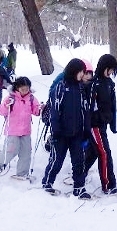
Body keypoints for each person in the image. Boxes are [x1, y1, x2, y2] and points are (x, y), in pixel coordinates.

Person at [41, 59, 92, 199]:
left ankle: (79, 188)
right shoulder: (61, 87)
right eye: (81, 71)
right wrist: (55, 131)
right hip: (61, 133)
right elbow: (55, 111)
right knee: (56, 160)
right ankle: (47, 182)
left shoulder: (81, 88)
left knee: (79, 162)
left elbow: (85, 111)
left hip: (77, 133)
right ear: (74, 71)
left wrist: (86, 130)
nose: (83, 74)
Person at [83, 54, 117, 195]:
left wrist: (113, 124)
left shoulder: (110, 84)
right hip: (94, 125)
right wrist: (89, 124)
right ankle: (109, 184)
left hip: (103, 123)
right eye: (109, 69)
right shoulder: (94, 84)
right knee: (104, 153)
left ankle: (79, 175)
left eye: (113, 70)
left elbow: (112, 105)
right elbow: (89, 107)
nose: (111, 72)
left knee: (93, 152)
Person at [0, 76, 42, 181]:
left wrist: (40, 109)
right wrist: (6, 105)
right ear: (17, 88)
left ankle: (22, 173)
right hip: (12, 130)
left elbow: (36, 111)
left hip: (26, 131)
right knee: (11, 150)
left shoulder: (31, 98)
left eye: (27, 89)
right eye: (22, 89)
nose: (25, 91)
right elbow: (1, 111)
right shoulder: (11, 98)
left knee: (26, 152)